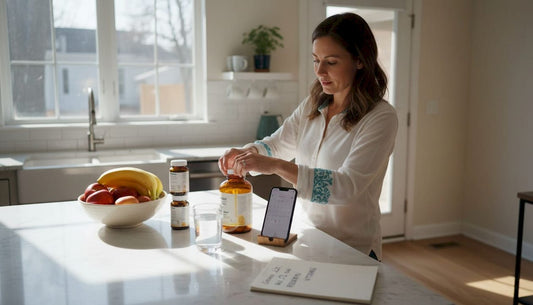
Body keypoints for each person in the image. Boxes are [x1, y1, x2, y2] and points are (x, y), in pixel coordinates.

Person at [218, 13, 398, 261]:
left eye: (331, 62)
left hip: (353, 249)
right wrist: (248, 153)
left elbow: (345, 188)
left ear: (359, 60)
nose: (320, 71)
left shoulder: (380, 117)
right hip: (308, 239)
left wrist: (276, 167)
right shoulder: (312, 106)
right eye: (316, 60)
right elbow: (278, 144)